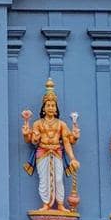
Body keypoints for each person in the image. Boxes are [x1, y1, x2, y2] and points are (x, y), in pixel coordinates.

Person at [22, 80, 79, 212]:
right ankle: (46, 204)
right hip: (42, 153)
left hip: (57, 153)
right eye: (48, 105)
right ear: (43, 107)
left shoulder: (61, 124)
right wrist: (27, 134)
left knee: (58, 179)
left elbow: (67, 142)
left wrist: (72, 158)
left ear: (56, 108)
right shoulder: (37, 123)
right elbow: (32, 141)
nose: (51, 108)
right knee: (43, 179)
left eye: (53, 105)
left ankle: (60, 204)